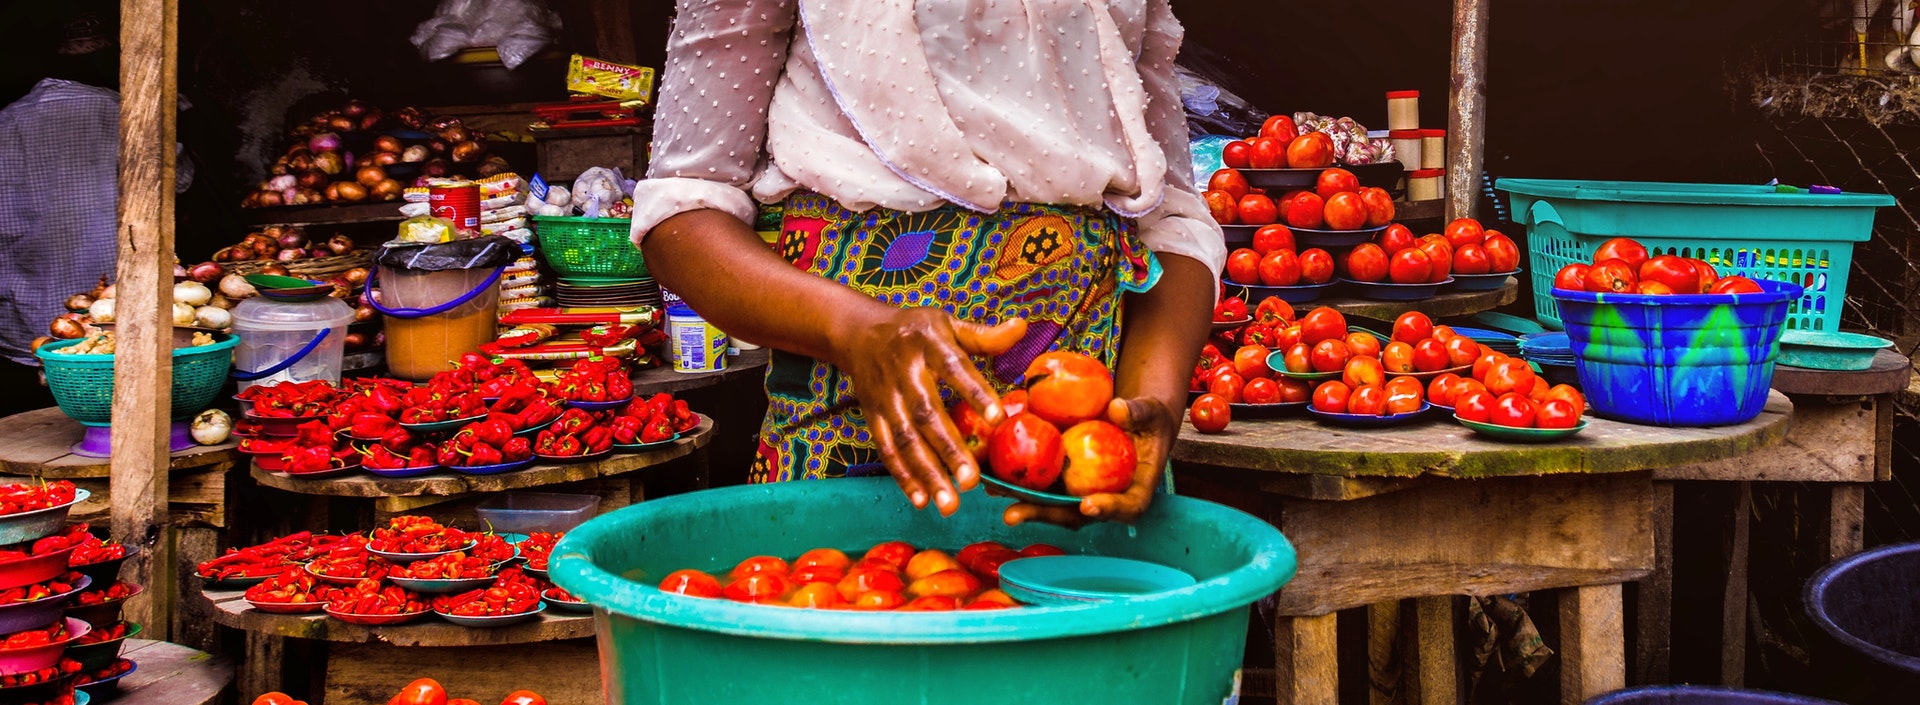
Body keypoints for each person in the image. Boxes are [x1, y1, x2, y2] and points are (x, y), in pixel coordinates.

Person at [633, 0, 1223, 526]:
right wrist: (855, 328)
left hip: (1080, 457)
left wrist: (1152, 403)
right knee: (854, 624)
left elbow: (1170, 218)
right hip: (852, 436)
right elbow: (682, 213)